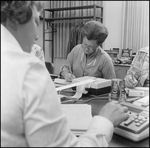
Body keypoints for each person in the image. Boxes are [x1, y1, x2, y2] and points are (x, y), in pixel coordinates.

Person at [1, 1, 129, 147]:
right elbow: (65, 67)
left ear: (98, 45)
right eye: (37, 21)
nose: (37, 36)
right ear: (15, 19)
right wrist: (105, 121)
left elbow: (112, 85)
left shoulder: (105, 60)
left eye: (90, 47)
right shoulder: (31, 70)